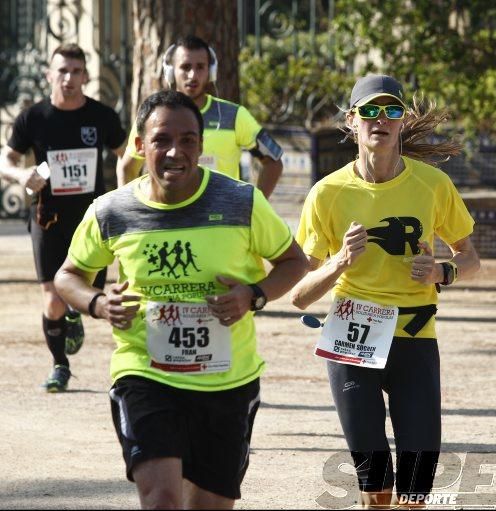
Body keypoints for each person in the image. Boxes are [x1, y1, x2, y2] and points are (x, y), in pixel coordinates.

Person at [54, 90, 307, 509]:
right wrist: (98, 303)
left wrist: (254, 295)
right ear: (139, 145)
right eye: (162, 140)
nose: (176, 151)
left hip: (228, 380)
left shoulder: (241, 202)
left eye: (188, 140)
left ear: (202, 145)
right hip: (145, 373)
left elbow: (293, 261)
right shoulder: (112, 211)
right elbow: (68, 276)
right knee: (162, 500)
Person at [290, 74, 481, 508]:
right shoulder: (327, 193)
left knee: (416, 486)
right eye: (370, 111)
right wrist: (338, 263)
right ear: (351, 121)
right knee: (374, 484)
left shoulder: (432, 185)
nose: (381, 120)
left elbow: (471, 260)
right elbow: (299, 295)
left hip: (414, 337)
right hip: (350, 338)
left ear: (403, 120)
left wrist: (442, 272)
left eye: (391, 111)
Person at [0, 43, 126, 392]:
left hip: (93, 220)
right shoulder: (33, 118)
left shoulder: (102, 116)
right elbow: (5, 159)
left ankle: (75, 314)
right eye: (62, 71)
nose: (69, 78)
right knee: (53, 296)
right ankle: (60, 365)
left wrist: (123, 195)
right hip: (47, 218)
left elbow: (127, 155)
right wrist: (21, 176)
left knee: (90, 294)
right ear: (49, 75)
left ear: (85, 76)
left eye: (76, 71)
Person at [117, 35, 283, 199]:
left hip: (221, 220)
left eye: (200, 67)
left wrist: (254, 204)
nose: (193, 75)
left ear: (211, 72)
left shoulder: (234, 115)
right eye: (185, 67)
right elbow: (128, 168)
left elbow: (273, 162)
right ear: (170, 72)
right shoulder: (153, 117)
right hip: (168, 217)